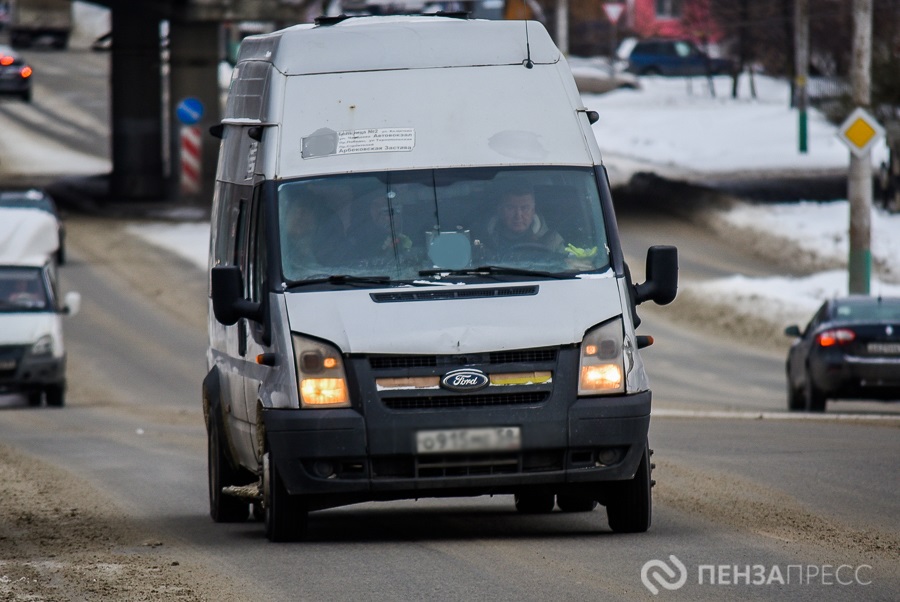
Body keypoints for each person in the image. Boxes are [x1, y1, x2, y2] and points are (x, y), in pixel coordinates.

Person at [484, 184, 565, 257]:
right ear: (500, 211)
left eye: (525, 208)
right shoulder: (483, 240)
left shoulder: (553, 242)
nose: (518, 215)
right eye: (511, 208)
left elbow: (567, 269)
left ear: (533, 211)